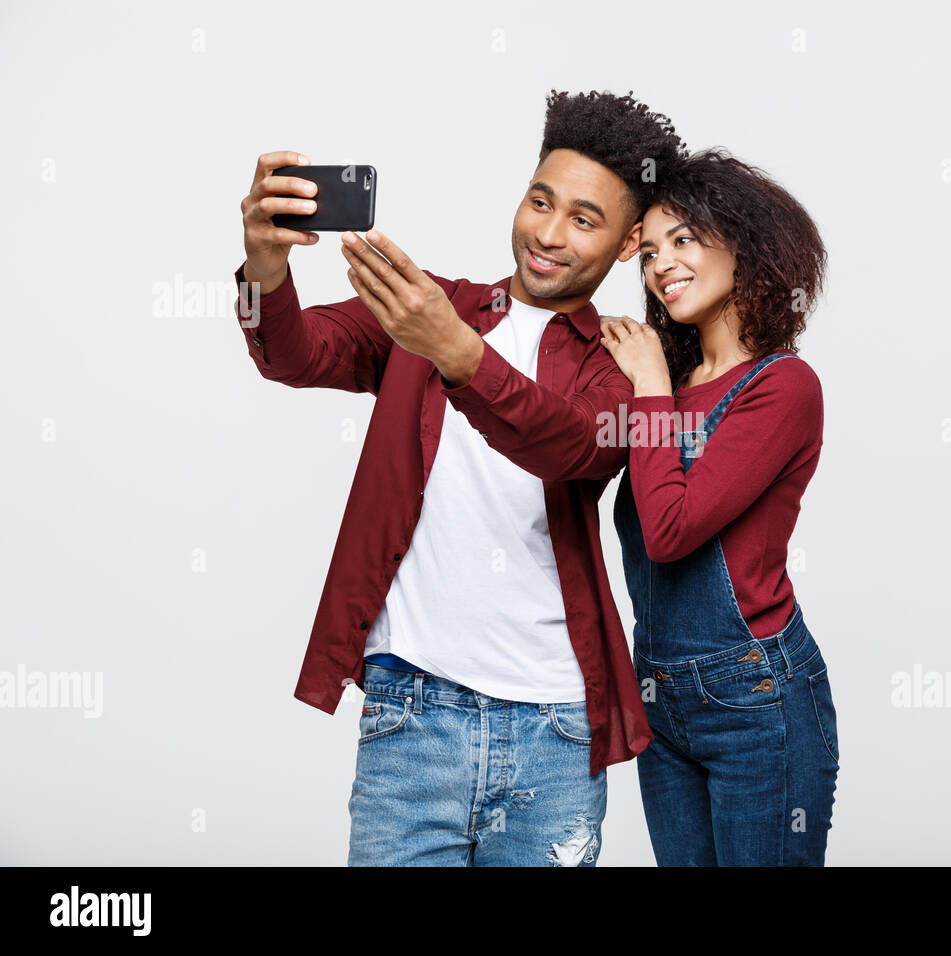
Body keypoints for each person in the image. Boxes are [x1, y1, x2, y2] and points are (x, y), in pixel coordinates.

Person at [232, 90, 688, 866]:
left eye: (583, 219)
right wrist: (262, 267)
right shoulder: (428, 308)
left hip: (555, 729)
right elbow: (292, 354)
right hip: (412, 715)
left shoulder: (626, 362)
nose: (547, 234)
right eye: (540, 200)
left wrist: (457, 354)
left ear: (626, 243)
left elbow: (571, 445)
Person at [599, 148, 838, 866]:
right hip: (658, 693)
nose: (660, 265)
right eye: (648, 251)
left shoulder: (783, 387)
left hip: (756, 698)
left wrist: (645, 385)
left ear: (745, 246)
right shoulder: (664, 381)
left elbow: (670, 532)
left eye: (684, 240)